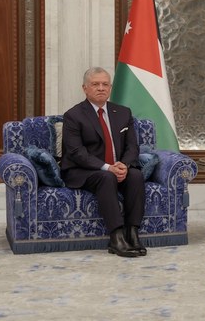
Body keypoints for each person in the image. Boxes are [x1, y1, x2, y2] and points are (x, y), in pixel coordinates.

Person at [60, 67, 146, 258]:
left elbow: (132, 146)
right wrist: (108, 167)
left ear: (110, 88)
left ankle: (132, 233)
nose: (101, 88)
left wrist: (124, 164)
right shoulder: (73, 115)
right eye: (95, 84)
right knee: (106, 178)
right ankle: (116, 238)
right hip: (82, 170)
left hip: (116, 167)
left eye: (105, 84)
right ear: (85, 88)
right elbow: (76, 153)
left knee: (136, 175)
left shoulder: (123, 113)